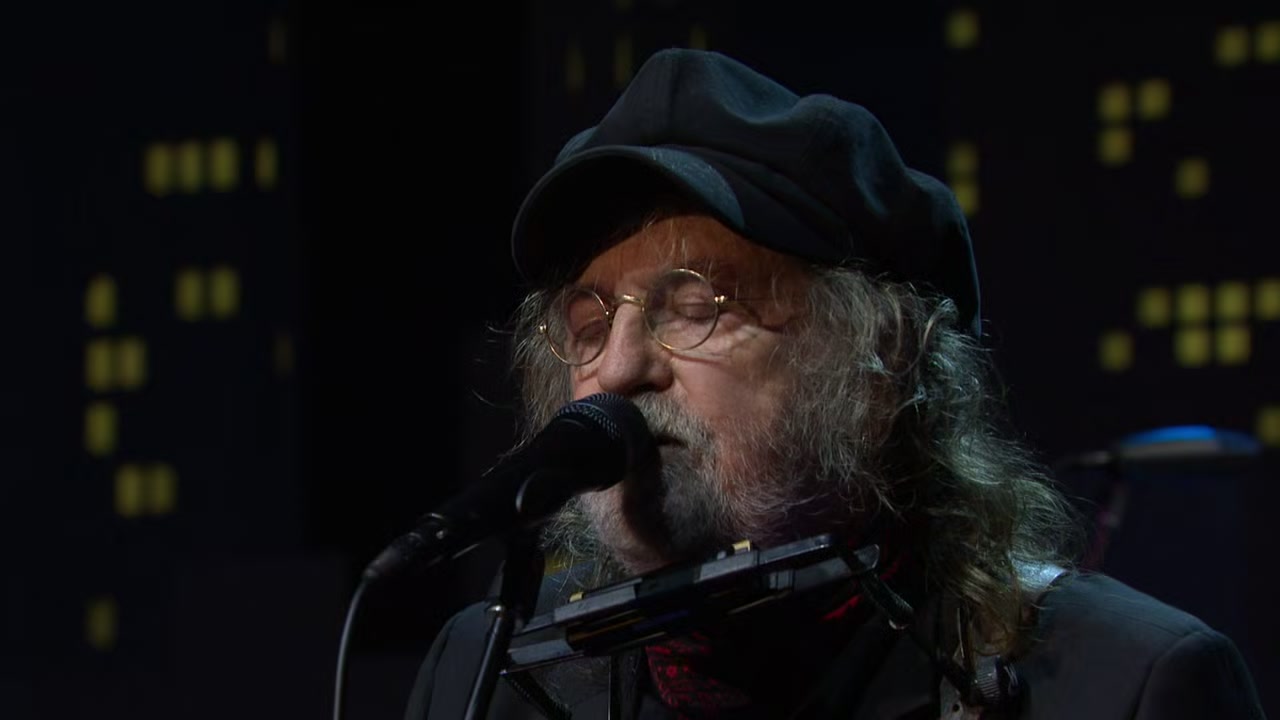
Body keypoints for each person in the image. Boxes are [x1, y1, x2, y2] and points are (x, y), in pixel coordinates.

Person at [404, 48, 1266, 719]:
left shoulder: (1125, 686)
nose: (620, 369)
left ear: (877, 365)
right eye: (590, 327)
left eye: (697, 306)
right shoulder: (487, 677)